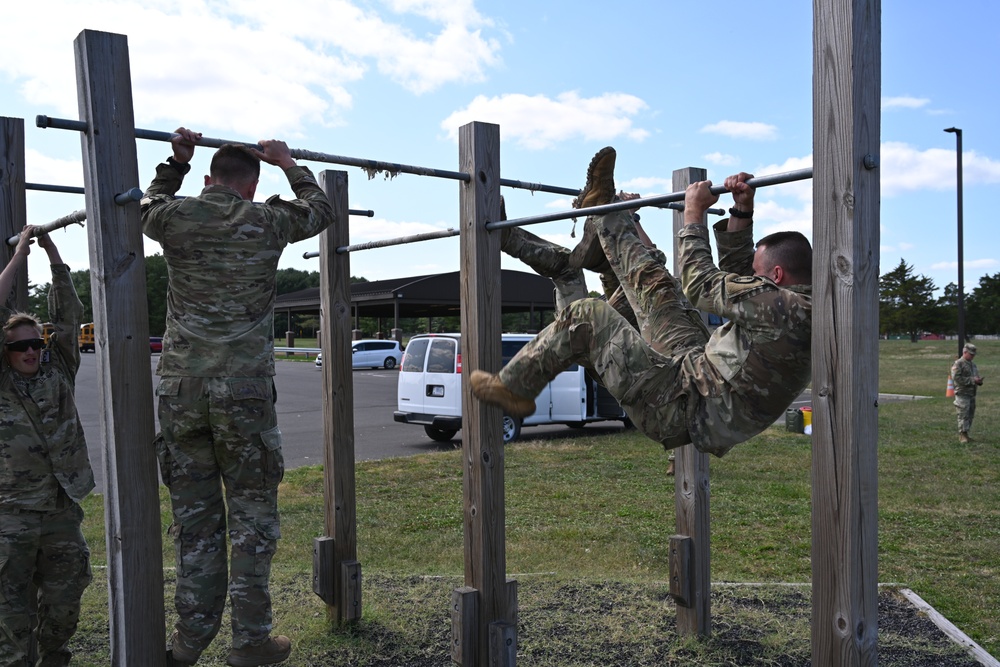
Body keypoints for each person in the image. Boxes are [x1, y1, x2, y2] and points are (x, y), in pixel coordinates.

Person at [471, 147, 813, 457]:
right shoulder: (798, 306)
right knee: (658, 284)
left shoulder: (785, 309)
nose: (750, 277)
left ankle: (513, 388)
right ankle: (603, 212)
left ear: (778, 276)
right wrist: (742, 209)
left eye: (759, 272)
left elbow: (702, 284)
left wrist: (693, 216)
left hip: (683, 405)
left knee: (588, 314)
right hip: (696, 375)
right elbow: (739, 273)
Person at [140, 128, 337, 666]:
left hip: (182, 390)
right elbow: (319, 209)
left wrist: (176, 161)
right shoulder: (265, 221)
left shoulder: (176, 217)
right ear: (251, 186)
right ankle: (250, 642)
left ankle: (188, 643)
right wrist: (289, 163)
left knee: (196, 525)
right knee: (252, 522)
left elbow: (148, 205)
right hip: (245, 393)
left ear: (210, 180)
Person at [0, 227, 95, 667]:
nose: (30, 351)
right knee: (9, 610)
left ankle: (54, 657)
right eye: (19, 345)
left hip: (60, 507)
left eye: (36, 343)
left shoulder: (59, 370)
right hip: (11, 513)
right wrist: (20, 252)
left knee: (66, 599)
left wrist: (54, 253)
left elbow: (70, 312)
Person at [951, 342, 983, 443]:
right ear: (965, 352)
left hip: (971, 393)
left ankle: (966, 433)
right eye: (971, 354)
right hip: (962, 393)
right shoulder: (958, 363)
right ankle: (962, 435)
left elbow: (975, 376)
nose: (972, 356)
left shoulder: (973, 365)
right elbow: (957, 378)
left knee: (970, 414)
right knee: (963, 414)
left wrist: (979, 381)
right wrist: (973, 380)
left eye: (974, 354)